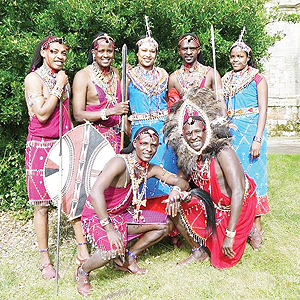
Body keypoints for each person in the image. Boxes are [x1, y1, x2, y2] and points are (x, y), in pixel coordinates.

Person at [74, 126, 189, 296]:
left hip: (121, 215)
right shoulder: (119, 162)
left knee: (166, 224)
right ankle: (82, 272)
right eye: (144, 143)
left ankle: (129, 258)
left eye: (153, 145)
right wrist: (109, 229)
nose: (149, 149)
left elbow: (181, 182)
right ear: (135, 143)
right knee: (111, 251)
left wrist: (175, 191)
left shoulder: (149, 169)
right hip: (98, 216)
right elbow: (96, 191)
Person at [163, 88, 257, 269]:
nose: (194, 137)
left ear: (207, 129)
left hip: (238, 205)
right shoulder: (190, 153)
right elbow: (182, 177)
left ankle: (248, 227)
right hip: (215, 208)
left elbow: (238, 190)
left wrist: (230, 234)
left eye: (198, 131)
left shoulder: (223, 151)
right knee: (174, 204)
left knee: (223, 262)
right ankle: (199, 251)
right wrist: (175, 191)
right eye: (188, 133)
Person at [25, 36, 89, 279]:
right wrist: (58, 85)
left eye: (63, 53)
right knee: (41, 205)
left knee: (72, 196)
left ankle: (82, 248)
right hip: (40, 145)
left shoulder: (63, 79)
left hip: (63, 142)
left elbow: (66, 116)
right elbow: (41, 114)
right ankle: (45, 259)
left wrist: (74, 139)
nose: (60, 56)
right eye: (55, 52)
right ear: (44, 52)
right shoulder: (34, 79)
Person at [222, 38, 269, 249]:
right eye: (232, 56)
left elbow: (263, 110)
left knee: (255, 178)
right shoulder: (226, 79)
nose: (235, 60)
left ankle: (256, 227)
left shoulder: (258, 79)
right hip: (232, 133)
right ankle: (241, 224)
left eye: (240, 56)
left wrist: (257, 139)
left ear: (248, 57)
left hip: (251, 133)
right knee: (235, 179)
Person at [127, 36, 178, 205]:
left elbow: (172, 102)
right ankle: (143, 216)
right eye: (144, 51)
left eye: (152, 51)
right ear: (137, 53)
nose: (148, 55)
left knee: (166, 170)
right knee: (142, 172)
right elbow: (123, 108)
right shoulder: (128, 76)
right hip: (139, 130)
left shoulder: (164, 75)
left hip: (163, 132)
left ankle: (170, 219)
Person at [73, 33, 129, 153]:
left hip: (117, 137)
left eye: (109, 51)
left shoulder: (115, 73)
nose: (105, 55)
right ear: (94, 52)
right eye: (101, 51)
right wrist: (111, 111)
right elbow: (78, 115)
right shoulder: (83, 76)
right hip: (94, 139)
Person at [168, 33, 226, 112]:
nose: (188, 52)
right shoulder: (174, 78)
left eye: (192, 49)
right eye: (185, 49)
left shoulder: (211, 74)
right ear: (179, 51)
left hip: (209, 121)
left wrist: (223, 120)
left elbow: (220, 102)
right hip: (183, 122)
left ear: (198, 50)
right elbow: (172, 109)